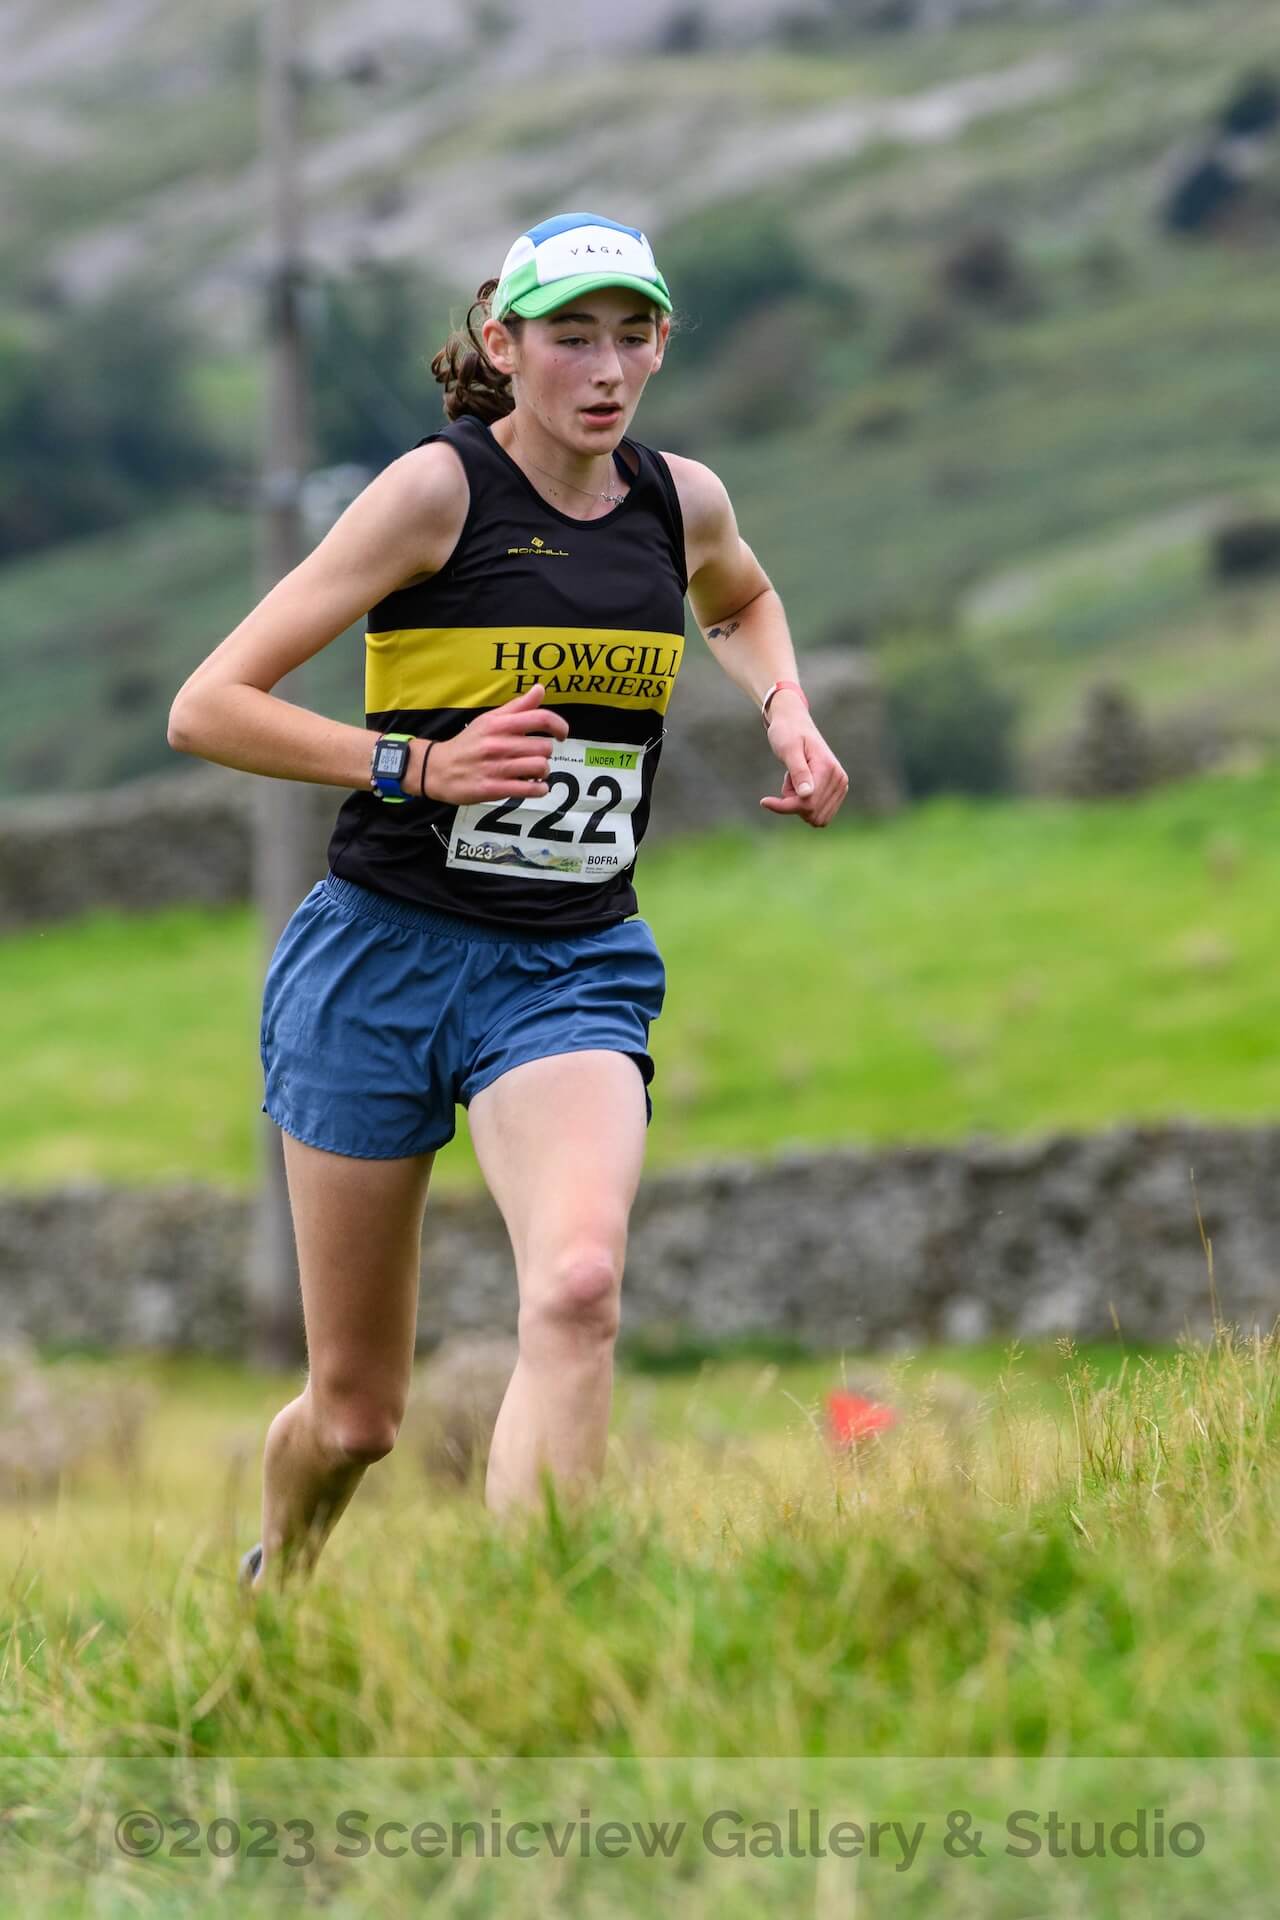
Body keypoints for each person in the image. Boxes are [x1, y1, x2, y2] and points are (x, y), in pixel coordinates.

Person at [167, 210, 849, 1593]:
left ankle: (539, 1627)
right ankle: (276, 1586)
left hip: (569, 961)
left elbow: (739, 599)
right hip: (380, 959)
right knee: (357, 1416)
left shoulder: (680, 501)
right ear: (504, 344)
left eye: (633, 336)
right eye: (571, 338)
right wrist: (416, 764)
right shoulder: (434, 495)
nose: (606, 369)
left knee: (580, 1287)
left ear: (662, 343)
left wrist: (786, 707)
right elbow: (208, 706)